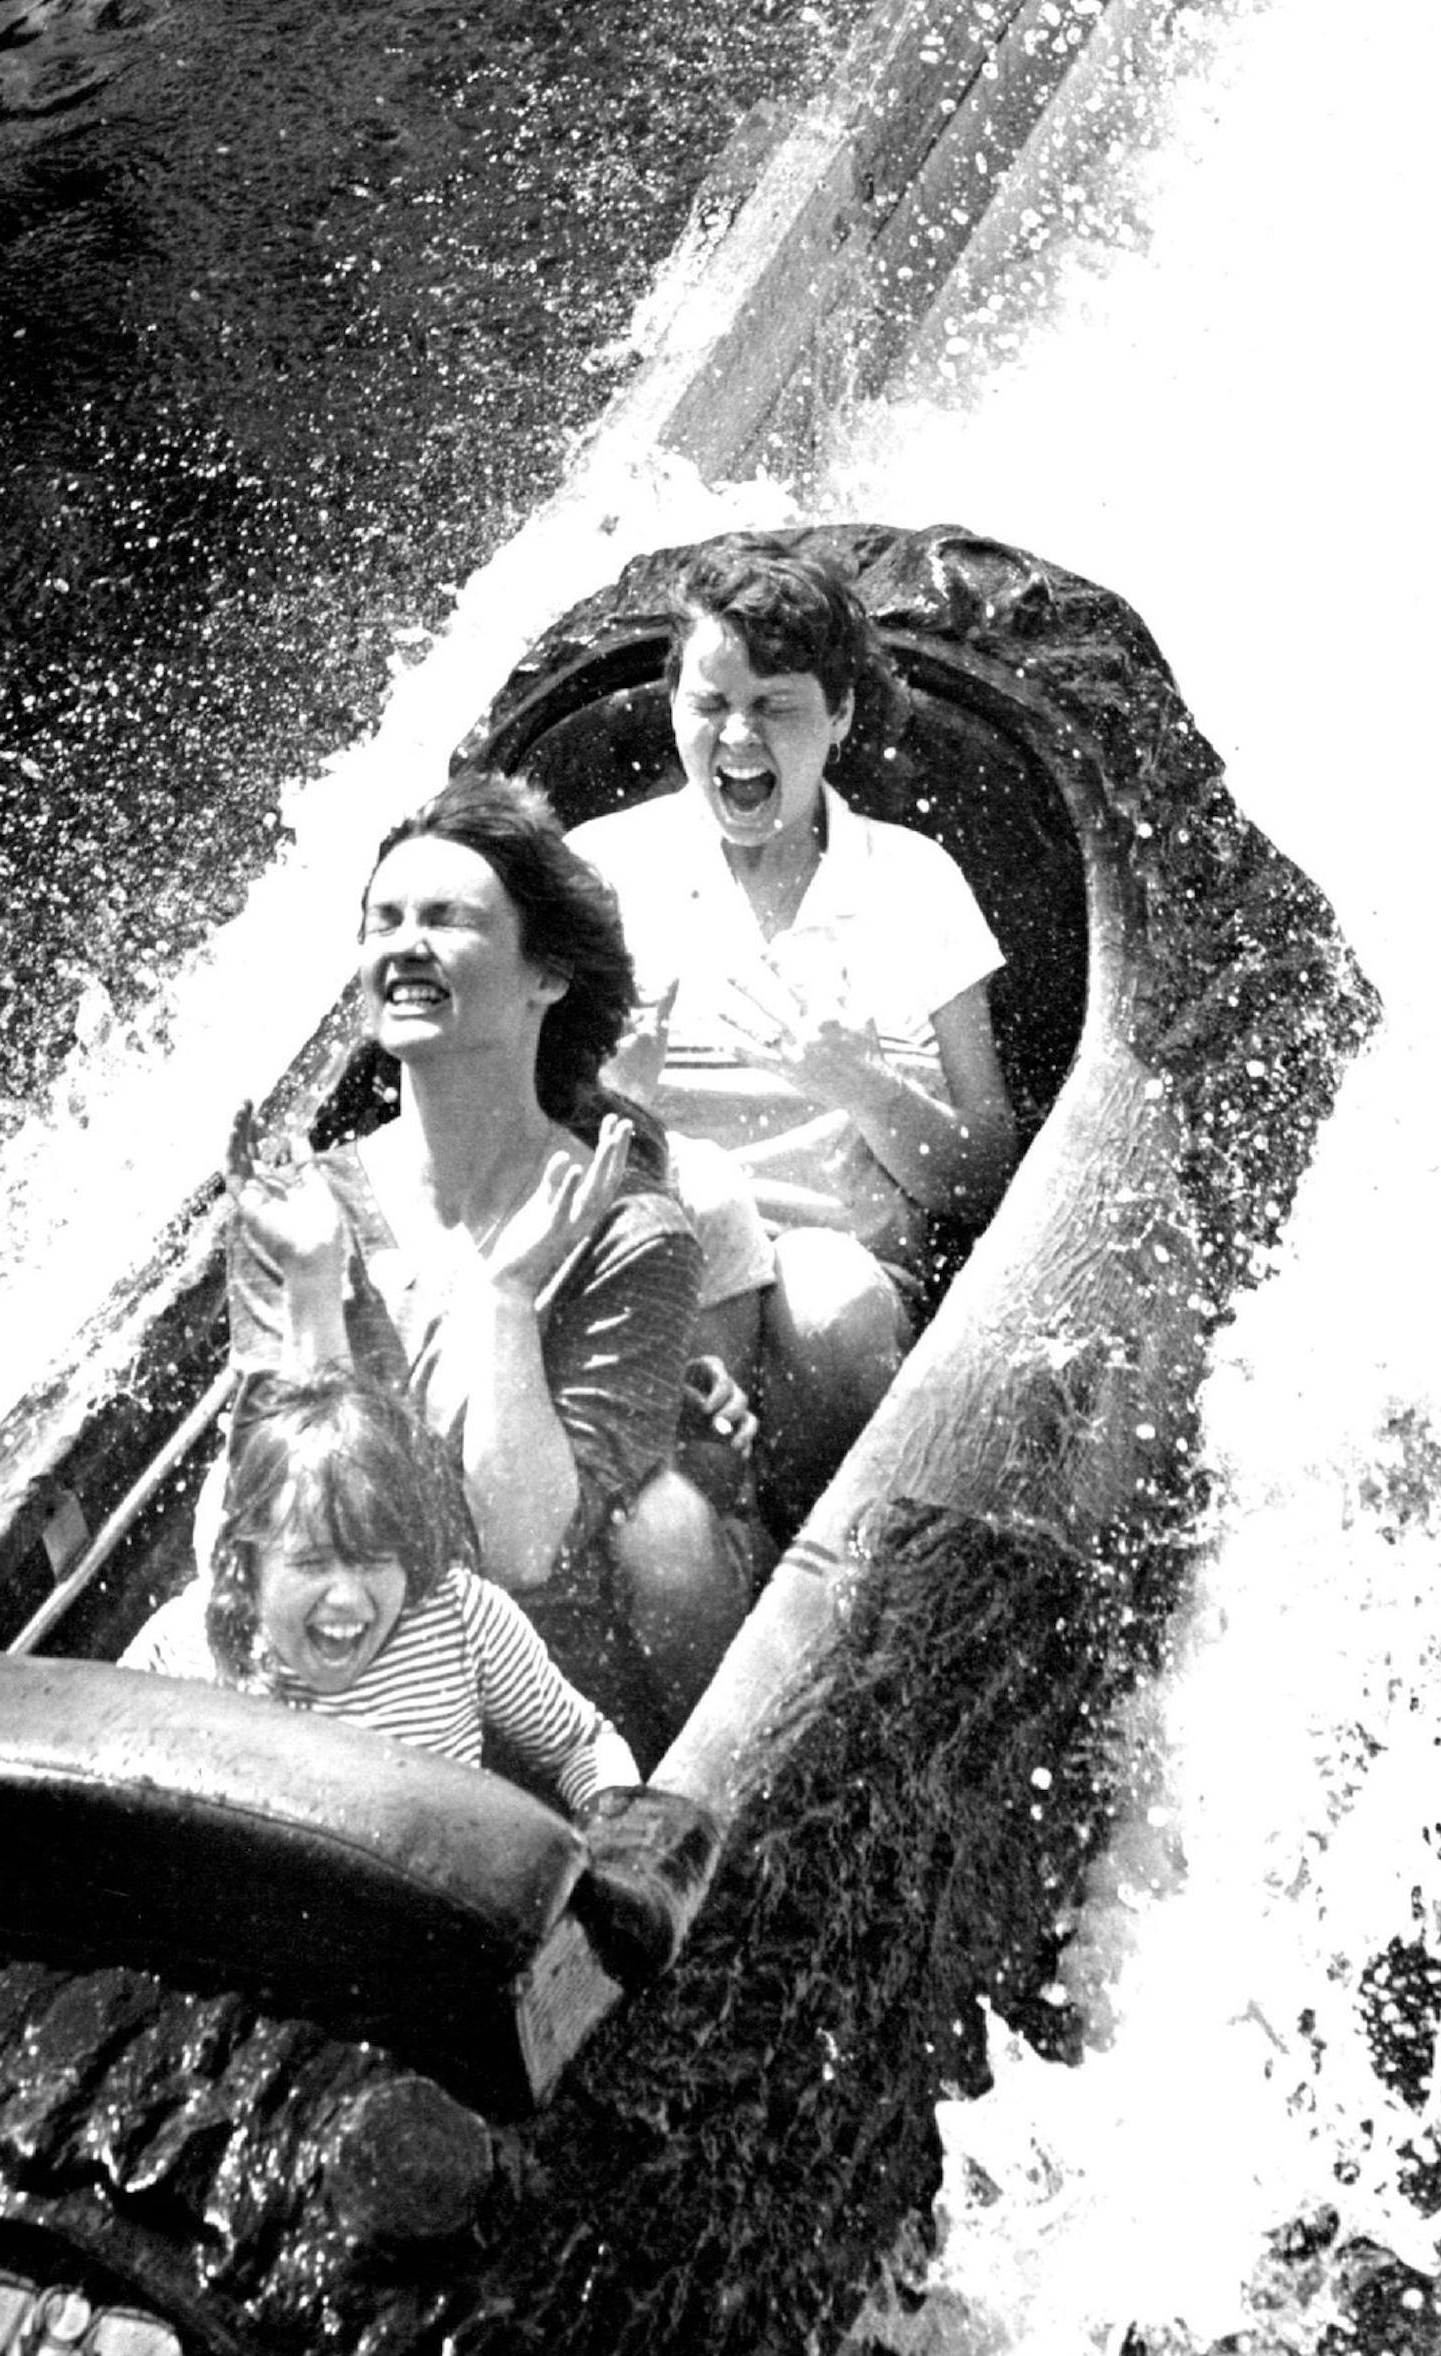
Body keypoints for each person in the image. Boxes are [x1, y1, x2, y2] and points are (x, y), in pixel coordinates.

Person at [222, 768, 748, 1751]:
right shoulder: (298, 1211)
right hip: (327, 1684)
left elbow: (519, 1550)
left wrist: (506, 1299)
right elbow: (293, 1514)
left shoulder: (629, 1230)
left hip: (534, 1713)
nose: (405, 945)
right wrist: (309, 1289)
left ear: (545, 972)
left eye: (445, 918)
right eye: (383, 921)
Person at [569, 532, 1022, 1528]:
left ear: (841, 715)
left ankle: (799, 1552)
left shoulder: (914, 880)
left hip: (844, 1260)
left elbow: (986, 1172)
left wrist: (865, 1083)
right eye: (710, 704)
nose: (738, 740)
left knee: (830, 1306)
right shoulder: (596, 876)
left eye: (775, 707)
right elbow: (510, 1150)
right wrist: (619, 1102)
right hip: (654, 1251)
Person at [125, 1366, 637, 1815]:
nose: (347, 1598)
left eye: (373, 1561)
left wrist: (615, 1828)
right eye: (311, 1562)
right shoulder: (185, 1643)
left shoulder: (461, 1617)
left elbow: (581, 1745)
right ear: (248, 1562)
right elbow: (95, 1767)